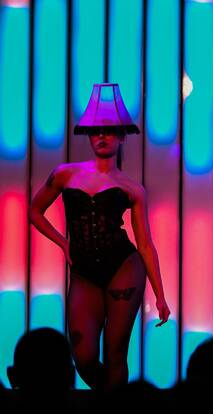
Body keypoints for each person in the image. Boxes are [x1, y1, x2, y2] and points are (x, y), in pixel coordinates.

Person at [28, 84, 170, 390]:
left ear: (121, 136)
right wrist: (64, 243)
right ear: (89, 136)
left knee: (116, 353)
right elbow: (34, 211)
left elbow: (144, 243)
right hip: (83, 272)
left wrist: (159, 294)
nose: (102, 136)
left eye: (108, 130)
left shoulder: (133, 189)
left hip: (124, 266)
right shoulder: (65, 174)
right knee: (84, 355)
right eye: (95, 131)